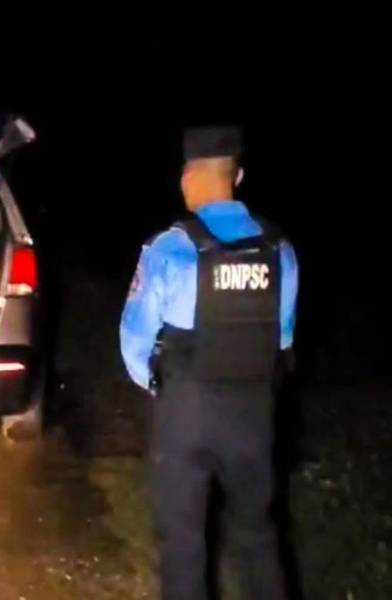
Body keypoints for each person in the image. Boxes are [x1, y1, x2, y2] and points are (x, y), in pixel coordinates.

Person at [119, 126, 298, 599]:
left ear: (187, 177)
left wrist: (163, 388)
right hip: (254, 415)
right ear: (237, 177)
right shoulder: (280, 251)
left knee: (183, 546)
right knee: (257, 539)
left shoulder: (169, 248)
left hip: (187, 413)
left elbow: (134, 344)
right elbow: (282, 342)